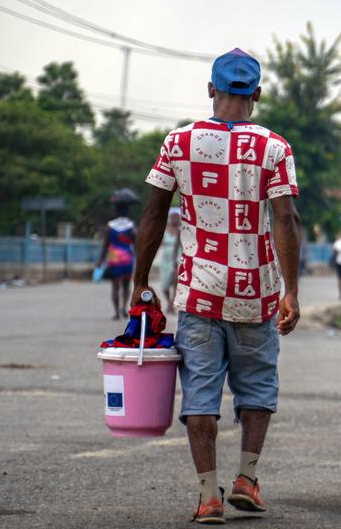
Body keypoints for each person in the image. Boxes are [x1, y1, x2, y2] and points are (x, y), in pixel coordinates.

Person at [128, 48, 303, 525]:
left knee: (200, 396)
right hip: (256, 293)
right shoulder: (274, 147)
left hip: (200, 293)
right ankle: (247, 478)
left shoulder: (178, 141)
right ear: (258, 95)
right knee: (258, 388)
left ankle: (208, 495)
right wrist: (291, 290)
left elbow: (153, 214)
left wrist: (140, 281)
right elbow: (286, 219)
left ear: (211, 89)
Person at [97, 193, 138, 320]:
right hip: (127, 259)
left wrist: (100, 260)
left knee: (115, 287)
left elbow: (105, 245)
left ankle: (116, 313)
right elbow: (136, 243)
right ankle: (124, 308)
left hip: (114, 258)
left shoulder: (110, 226)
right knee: (126, 286)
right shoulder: (131, 227)